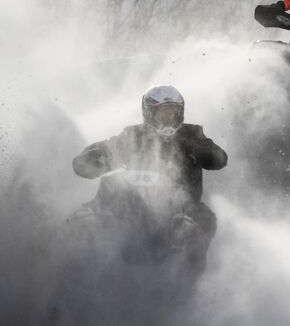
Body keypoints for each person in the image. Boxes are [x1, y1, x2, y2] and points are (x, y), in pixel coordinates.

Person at [72, 85, 227, 267]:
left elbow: (220, 159)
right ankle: (83, 263)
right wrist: (94, 157)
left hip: (182, 207)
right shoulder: (133, 135)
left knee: (206, 219)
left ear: (180, 113)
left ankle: (193, 273)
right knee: (82, 218)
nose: (168, 118)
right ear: (149, 114)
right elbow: (104, 150)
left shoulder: (192, 135)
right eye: (162, 113)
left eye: (172, 113)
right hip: (133, 206)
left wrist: (199, 149)